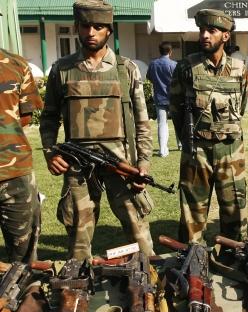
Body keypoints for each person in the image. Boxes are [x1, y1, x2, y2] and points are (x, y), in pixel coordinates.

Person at [40, 0, 155, 259]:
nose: (91, 32)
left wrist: (144, 163)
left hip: (121, 163)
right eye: (85, 26)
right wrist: (50, 153)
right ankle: (78, 288)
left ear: (109, 31)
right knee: (79, 238)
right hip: (78, 165)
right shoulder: (62, 70)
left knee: (138, 232)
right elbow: (48, 118)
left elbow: (142, 122)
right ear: (77, 27)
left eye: (98, 27)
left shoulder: (126, 69)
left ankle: (150, 282)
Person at [170, 9, 248, 243]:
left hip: (231, 150)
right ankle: (191, 260)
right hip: (198, 150)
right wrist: (189, 141)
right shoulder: (186, 67)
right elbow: (176, 109)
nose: (204, 35)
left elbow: (241, 105)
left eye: (211, 31)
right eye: (202, 30)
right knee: (193, 209)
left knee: (235, 206)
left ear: (225, 36)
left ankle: (235, 255)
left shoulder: (239, 68)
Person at [0, 48, 44, 263]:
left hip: (15, 173)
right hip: (14, 166)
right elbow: (23, 118)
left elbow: (26, 116)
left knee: (24, 255)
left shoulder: (16, 64)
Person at [147, 41, 178, 158]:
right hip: (173, 98)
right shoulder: (174, 64)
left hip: (159, 97)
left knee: (161, 124)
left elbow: (149, 77)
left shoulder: (153, 64)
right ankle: (180, 145)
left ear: (160, 51)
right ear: (170, 52)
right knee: (177, 122)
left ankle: (162, 150)